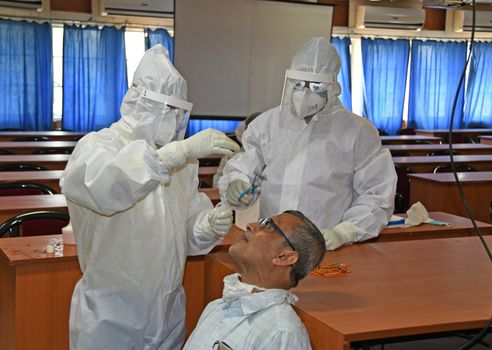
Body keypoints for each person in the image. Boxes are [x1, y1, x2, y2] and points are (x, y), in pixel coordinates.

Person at [60, 45, 240, 350]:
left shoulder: (182, 163)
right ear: (140, 103)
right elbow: (107, 189)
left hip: (167, 309)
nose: (173, 121)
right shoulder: (98, 147)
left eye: (178, 112)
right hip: (111, 314)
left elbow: (184, 230)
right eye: (167, 110)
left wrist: (206, 226)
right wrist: (175, 154)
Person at [218, 37, 397, 250]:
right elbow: (244, 165)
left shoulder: (357, 132)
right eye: (298, 84)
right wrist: (236, 184)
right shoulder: (267, 124)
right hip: (270, 243)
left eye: (316, 86)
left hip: (327, 244)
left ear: (333, 86)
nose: (304, 94)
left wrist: (344, 231)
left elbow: (377, 193)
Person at [183, 210, 325, 349]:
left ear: (284, 257)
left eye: (269, 225)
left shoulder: (281, 331)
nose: (250, 225)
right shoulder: (216, 307)